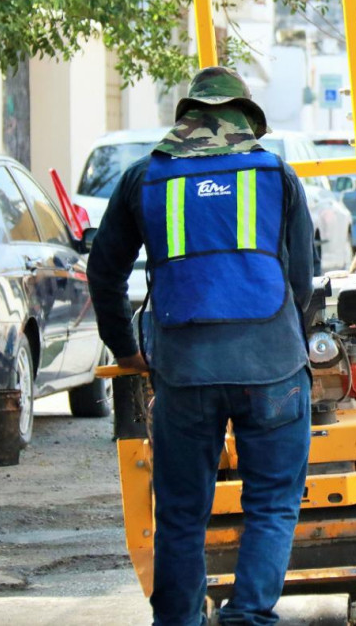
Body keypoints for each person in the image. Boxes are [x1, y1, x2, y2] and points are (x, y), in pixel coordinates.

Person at [87, 67, 315, 625]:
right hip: (272, 368)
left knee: (182, 513)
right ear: (243, 119)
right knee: (273, 504)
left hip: (184, 370)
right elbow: (303, 278)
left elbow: (104, 271)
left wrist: (125, 350)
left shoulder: (145, 178)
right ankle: (248, 616)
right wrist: (294, 342)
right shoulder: (276, 174)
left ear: (186, 118)